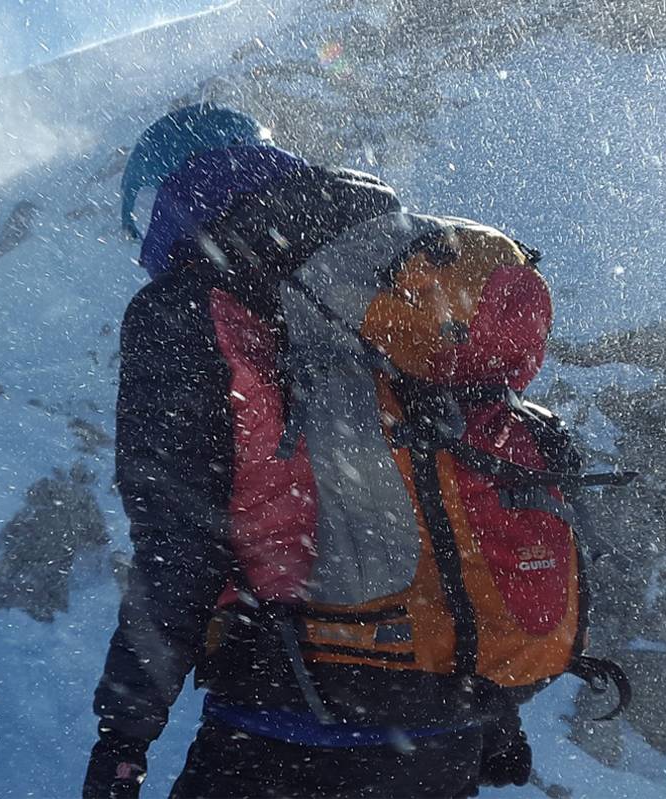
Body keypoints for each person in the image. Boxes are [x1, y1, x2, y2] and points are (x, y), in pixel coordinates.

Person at [84, 106, 555, 798]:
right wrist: (493, 708)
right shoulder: (385, 274)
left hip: (290, 715)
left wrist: (123, 735)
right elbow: (453, 479)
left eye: (144, 215)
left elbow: (180, 545)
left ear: (171, 195)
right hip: (441, 724)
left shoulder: (185, 310)